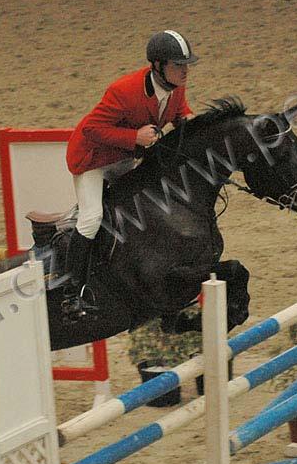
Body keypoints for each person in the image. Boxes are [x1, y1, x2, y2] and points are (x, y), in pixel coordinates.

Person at [62, 30, 198, 320]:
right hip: (93, 159)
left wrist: (193, 124)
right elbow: (91, 129)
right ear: (158, 65)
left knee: (144, 208)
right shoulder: (124, 91)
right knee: (92, 218)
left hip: (124, 157)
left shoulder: (176, 87)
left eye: (187, 64)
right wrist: (134, 136)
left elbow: (180, 113)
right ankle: (71, 293)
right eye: (178, 65)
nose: (185, 71)